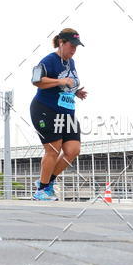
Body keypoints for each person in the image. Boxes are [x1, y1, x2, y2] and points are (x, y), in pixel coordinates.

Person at [30, 28, 87, 201]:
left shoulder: (71, 62)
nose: (74, 49)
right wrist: (60, 81)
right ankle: (41, 191)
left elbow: (68, 84)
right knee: (53, 150)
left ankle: (46, 182)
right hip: (46, 109)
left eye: (76, 47)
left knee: (73, 150)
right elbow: (36, 80)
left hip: (67, 113)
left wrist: (75, 92)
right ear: (61, 43)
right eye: (71, 45)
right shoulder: (49, 60)